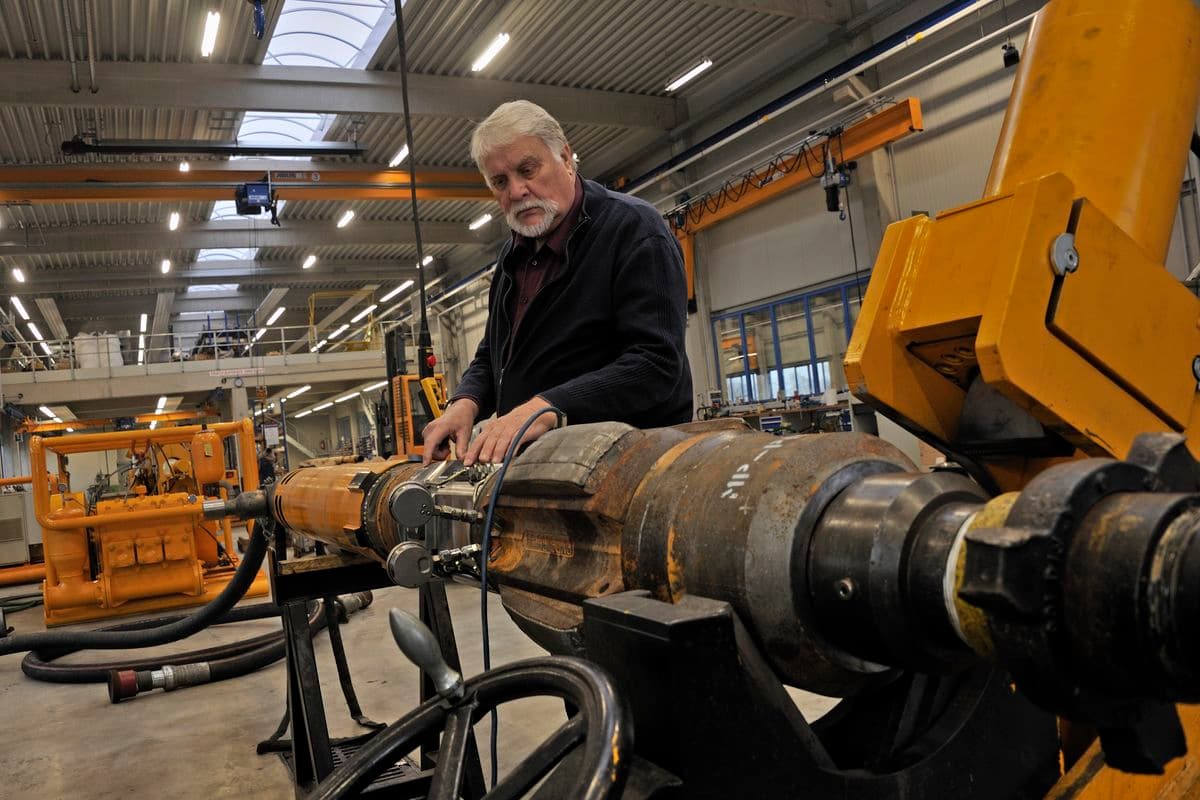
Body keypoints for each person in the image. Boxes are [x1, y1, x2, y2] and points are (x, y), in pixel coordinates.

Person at [422, 100, 692, 466]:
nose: (517, 191)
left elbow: (655, 363)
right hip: (546, 469)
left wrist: (547, 407)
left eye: (527, 170)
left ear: (565, 158)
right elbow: (494, 353)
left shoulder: (634, 231)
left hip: (631, 467)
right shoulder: (513, 255)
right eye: (500, 182)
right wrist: (464, 402)